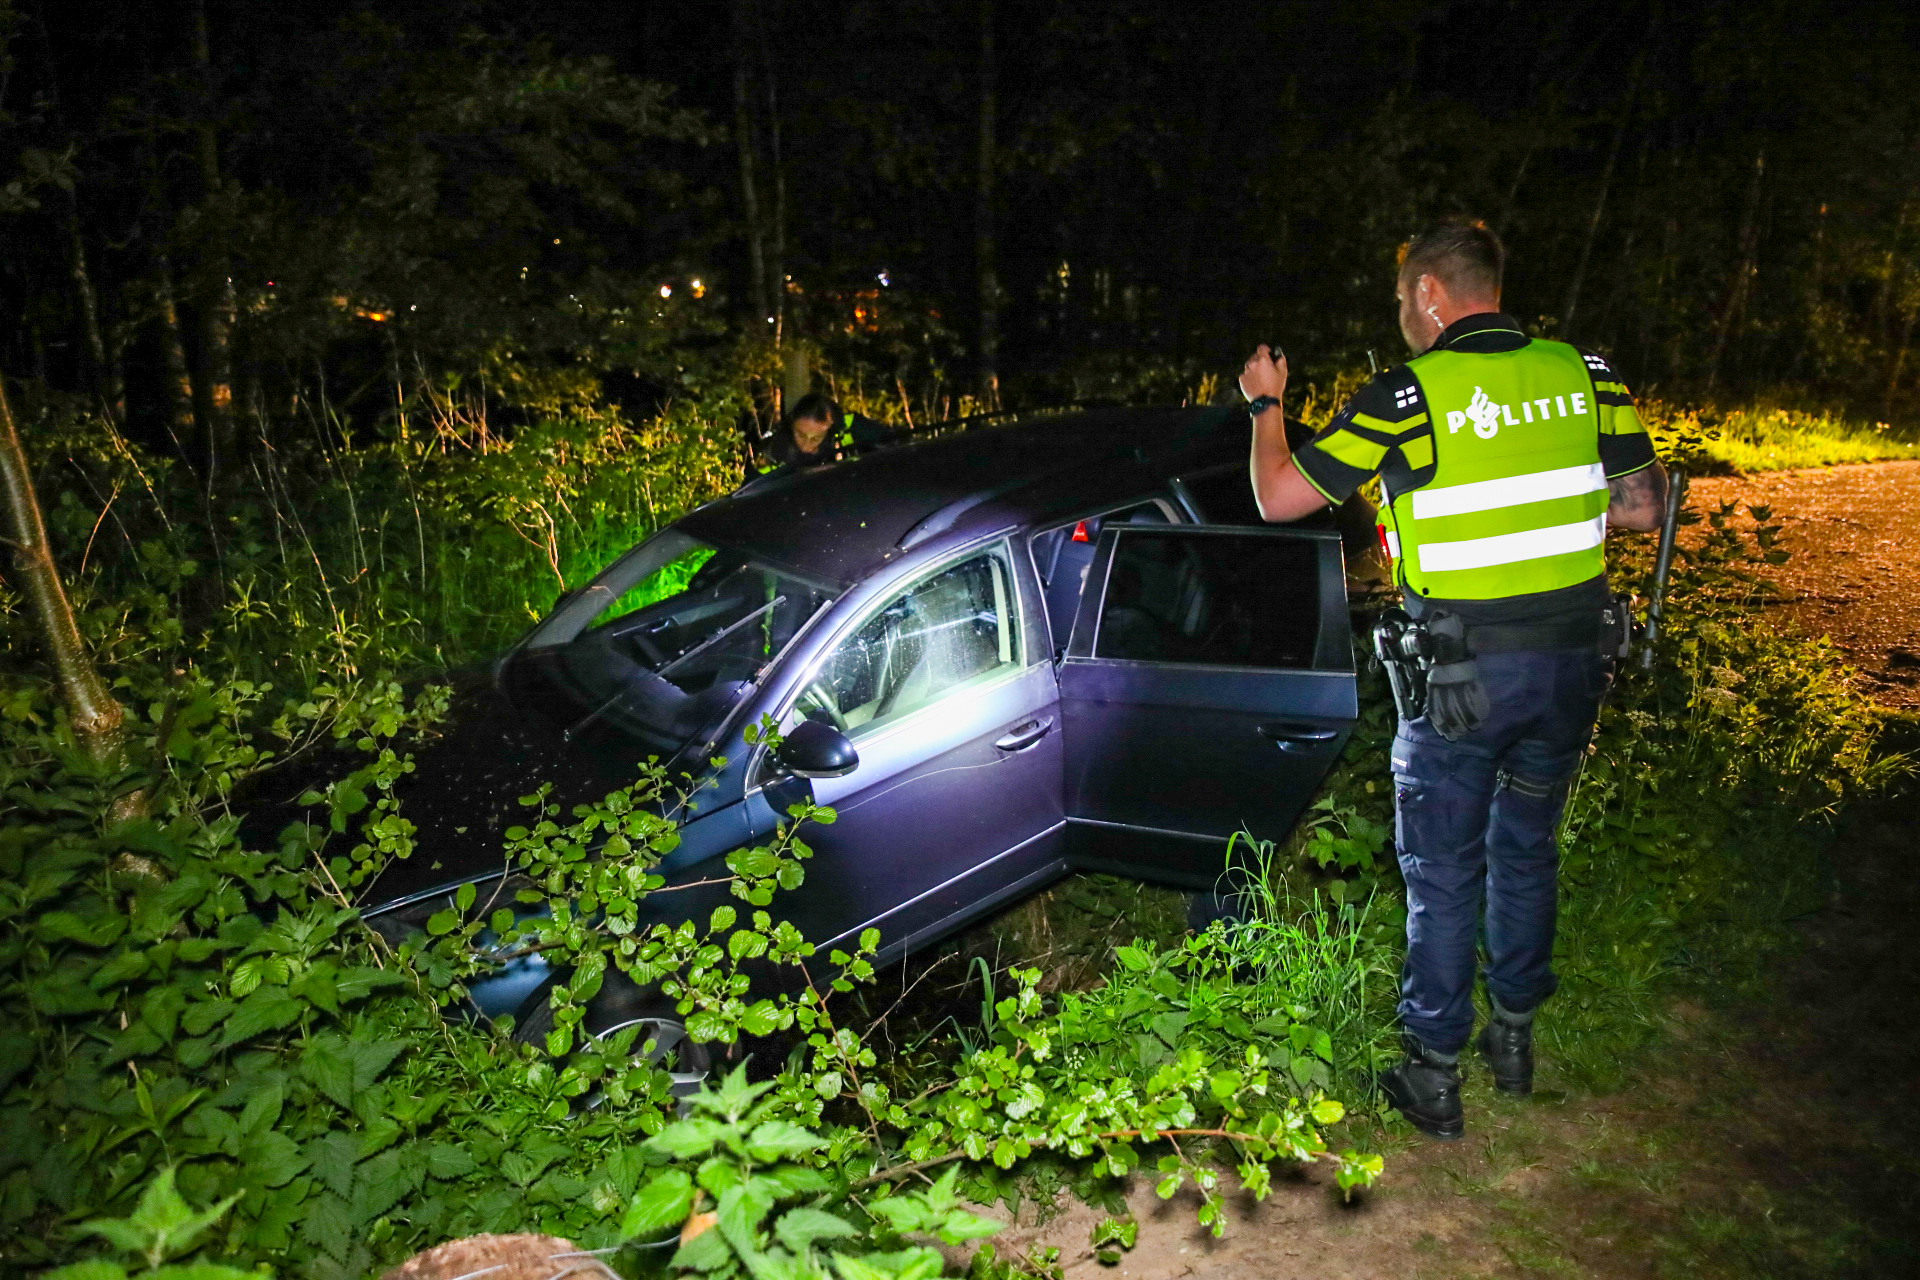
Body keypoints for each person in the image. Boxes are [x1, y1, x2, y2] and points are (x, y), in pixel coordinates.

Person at [1236, 218, 1667, 1140]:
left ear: (1431, 294)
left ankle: (1434, 1071)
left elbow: (1277, 498)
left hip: (1465, 678)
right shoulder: (1587, 375)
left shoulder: (1407, 396)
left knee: (1442, 869)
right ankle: (1513, 1037)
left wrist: (1265, 405)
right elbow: (1640, 509)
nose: (1400, 316)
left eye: (1401, 300)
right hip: (1572, 666)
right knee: (1527, 850)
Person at [759, 392, 890, 470]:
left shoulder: (850, 427)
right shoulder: (776, 450)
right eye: (800, 435)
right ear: (792, 424)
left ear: (832, 427)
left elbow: (893, 444)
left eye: (816, 438)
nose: (806, 446)